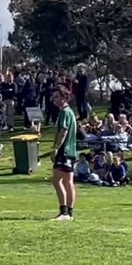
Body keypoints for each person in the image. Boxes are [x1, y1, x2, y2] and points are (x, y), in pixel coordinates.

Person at [50, 86, 78, 221]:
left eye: (56, 97)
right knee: (68, 181)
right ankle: (69, 212)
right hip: (71, 151)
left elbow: (63, 131)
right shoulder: (69, 112)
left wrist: (56, 148)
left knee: (57, 180)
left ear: (64, 97)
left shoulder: (65, 113)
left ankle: (65, 212)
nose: (53, 100)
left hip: (65, 151)